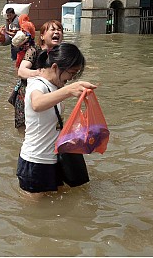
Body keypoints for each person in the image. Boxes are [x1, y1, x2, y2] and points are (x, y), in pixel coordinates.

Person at [16, 43, 97, 195]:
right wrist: (70, 90)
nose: (72, 78)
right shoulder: (37, 85)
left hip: (53, 159)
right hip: (35, 161)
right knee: (34, 214)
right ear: (54, 67)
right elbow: (37, 103)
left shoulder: (54, 86)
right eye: (71, 73)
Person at [13, 20, 64, 130]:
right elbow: (21, 71)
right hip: (28, 95)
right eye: (53, 29)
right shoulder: (34, 50)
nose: (57, 32)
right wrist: (41, 73)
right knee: (27, 129)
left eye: (59, 30)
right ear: (42, 36)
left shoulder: (60, 54)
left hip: (50, 94)